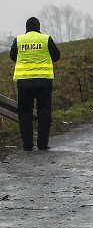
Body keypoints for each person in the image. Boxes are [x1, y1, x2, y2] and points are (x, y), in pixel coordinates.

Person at [9, 17, 60, 151]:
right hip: (44, 82)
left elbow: (13, 56)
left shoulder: (19, 40)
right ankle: (42, 144)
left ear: (26, 28)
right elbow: (56, 56)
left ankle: (27, 144)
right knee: (44, 112)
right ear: (39, 27)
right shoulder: (45, 39)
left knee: (25, 113)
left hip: (24, 83)